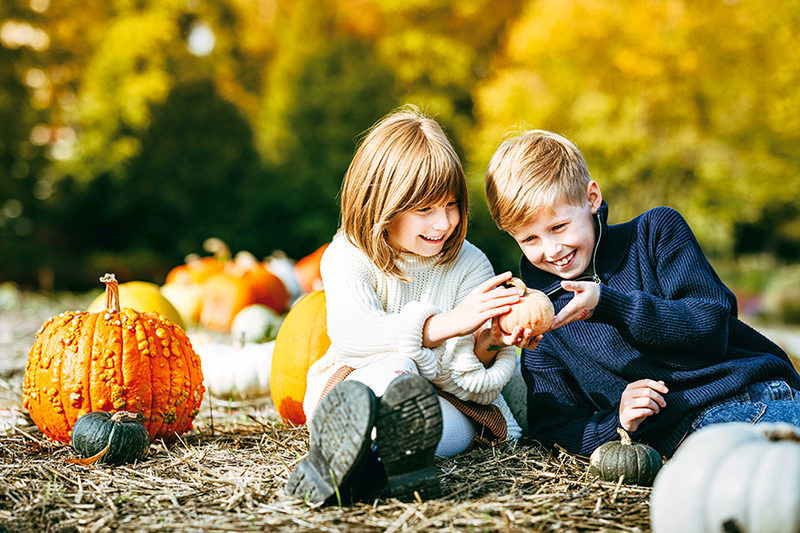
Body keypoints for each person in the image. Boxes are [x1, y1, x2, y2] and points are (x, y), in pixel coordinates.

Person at [483, 129, 800, 458]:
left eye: (559, 227)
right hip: (689, 439)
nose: (551, 249)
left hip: (745, 396)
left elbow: (711, 328)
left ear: (591, 199)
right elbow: (553, 431)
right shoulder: (543, 323)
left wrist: (610, 305)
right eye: (530, 239)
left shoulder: (655, 233)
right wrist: (618, 422)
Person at [285, 106, 531, 506]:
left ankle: (365, 467)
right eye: (424, 209)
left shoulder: (470, 265)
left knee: (437, 419)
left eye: (450, 204)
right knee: (396, 372)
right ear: (381, 203)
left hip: (445, 399)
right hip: (359, 384)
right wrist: (444, 325)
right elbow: (354, 333)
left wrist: (488, 343)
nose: (443, 223)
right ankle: (373, 455)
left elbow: (468, 383)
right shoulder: (347, 254)